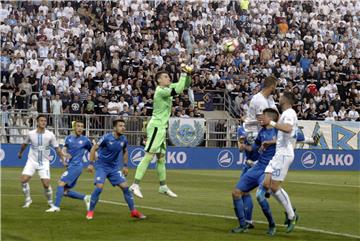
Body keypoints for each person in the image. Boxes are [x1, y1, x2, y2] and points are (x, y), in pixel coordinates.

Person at [129, 64, 193, 199]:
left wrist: (188, 74)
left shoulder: (167, 88)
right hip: (156, 126)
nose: (168, 78)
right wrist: (182, 73)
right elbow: (179, 89)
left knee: (161, 159)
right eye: (165, 77)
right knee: (148, 155)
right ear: (158, 80)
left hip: (161, 128)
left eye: (169, 76)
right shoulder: (160, 91)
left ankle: (163, 186)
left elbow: (185, 86)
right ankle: (135, 185)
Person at [86, 119, 145, 220]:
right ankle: (90, 211)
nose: (123, 128)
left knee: (126, 187)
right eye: (120, 126)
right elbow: (93, 149)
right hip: (102, 166)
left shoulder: (124, 139)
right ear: (114, 128)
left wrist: (125, 166)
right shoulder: (106, 138)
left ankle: (133, 211)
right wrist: (91, 164)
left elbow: (125, 151)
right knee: (99, 187)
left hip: (113, 168)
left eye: (124, 126)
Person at [232, 108, 278, 235]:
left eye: (263, 117)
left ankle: (272, 224)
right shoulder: (262, 131)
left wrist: (270, 142)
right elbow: (254, 148)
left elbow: (290, 140)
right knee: (236, 193)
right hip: (257, 167)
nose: (260, 119)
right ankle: (243, 225)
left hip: (269, 169)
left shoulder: (278, 130)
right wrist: (244, 147)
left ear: (270, 119)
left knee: (259, 196)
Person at [261, 92, 300, 233]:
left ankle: (292, 215)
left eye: (282, 96)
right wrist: (270, 142)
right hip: (279, 153)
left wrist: (270, 122)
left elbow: (288, 129)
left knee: (275, 187)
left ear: (286, 100)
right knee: (268, 186)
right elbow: (287, 135)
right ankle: (290, 209)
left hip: (284, 154)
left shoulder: (289, 113)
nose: (279, 97)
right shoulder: (286, 113)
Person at [17, 115, 65, 209]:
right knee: (23, 180)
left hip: (44, 163)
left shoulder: (50, 134)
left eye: (45, 121)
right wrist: (20, 153)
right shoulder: (31, 134)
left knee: (46, 184)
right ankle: (28, 200)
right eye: (41, 120)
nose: (43, 122)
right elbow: (24, 144)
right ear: (37, 122)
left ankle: (50, 202)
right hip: (31, 161)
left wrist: (63, 160)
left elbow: (57, 148)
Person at [46, 120, 92, 212]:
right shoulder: (68, 138)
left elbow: (93, 152)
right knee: (64, 191)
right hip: (70, 166)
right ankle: (86, 198)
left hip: (77, 166)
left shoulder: (85, 140)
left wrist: (91, 164)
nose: (80, 128)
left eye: (82, 126)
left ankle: (56, 207)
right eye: (78, 126)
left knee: (60, 183)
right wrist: (64, 156)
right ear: (74, 127)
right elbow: (64, 149)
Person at [235, 126, 260, 228]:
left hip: (254, 165)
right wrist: (242, 143)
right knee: (245, 192)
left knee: (243, 192)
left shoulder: (243, 129)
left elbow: (241, 148)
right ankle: (248, 220)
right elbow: (241, 149)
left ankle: (247, 221)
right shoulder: (242, 128)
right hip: (256, 164)